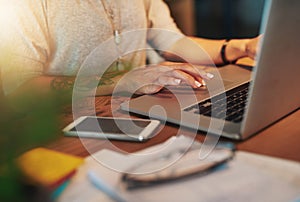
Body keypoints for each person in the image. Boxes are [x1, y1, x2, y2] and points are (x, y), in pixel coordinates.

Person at [0, 0, 260, 112]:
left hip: (136, 112)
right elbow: (22, 89)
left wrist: (242, 47)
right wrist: (126, 80)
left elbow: (173, 42)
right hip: (64, 129)